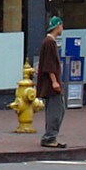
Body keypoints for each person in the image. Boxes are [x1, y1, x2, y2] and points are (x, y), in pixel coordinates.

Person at [36, 16, 67, 148]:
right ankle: (49, 137)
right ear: (58, 26)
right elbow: (49, 65)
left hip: (50, 83)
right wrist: (54, 81)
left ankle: (51, 135)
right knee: (56, 111)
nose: (62, 28)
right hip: (51, 84)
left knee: (59, 109)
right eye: (61, 26)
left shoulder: (48, 42)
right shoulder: (49, 43)